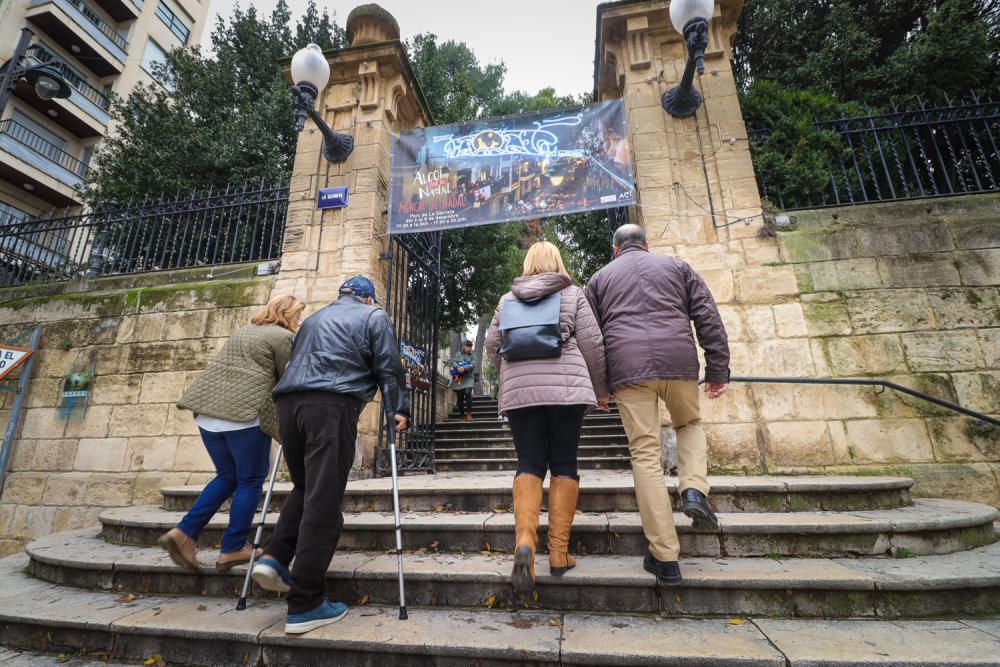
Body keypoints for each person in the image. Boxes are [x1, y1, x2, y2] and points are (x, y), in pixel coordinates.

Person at [251, 275, 410, 635]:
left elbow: (295, 361)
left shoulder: (312, 319)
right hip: (330, 406)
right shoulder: (374, 317)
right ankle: (305, 602)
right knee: (323, 498)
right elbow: (388, 365)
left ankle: (275, 557)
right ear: (369, 298)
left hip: (290, 405)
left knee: (305, 488)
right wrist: (398, 409)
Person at [585, 224, 730, 585]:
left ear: (614, 249)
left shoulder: (599, 280)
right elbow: (708, 316)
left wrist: (600, 388)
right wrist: (718, 369)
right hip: (679, 362)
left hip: (627, 369)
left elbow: (590, 338)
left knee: (644, 453)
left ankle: (665, 556)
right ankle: (694, 488)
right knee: (689, 425)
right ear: (647, 246)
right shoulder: (677, 267)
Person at [485, 241, 609, 596]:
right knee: (564, 462)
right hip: (566, 389)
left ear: (527, 263)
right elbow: (592, 343)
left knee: (529, 461)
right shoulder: (572, 294)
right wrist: (601, 389)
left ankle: (525, 542)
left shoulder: (507, 300)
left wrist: (510, 375)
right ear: (557, 261)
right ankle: (558, 553)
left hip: (521, 392)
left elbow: (494, 344)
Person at [160, 295, 304, 573]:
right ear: (287, 316)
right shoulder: (283, 338)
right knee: (251, 479)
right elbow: (290, 378)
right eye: (297, 316)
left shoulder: (245, 331)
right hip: (243, 416)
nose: (298, 322)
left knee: (228, 476)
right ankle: (233, 547)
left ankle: (184, 533)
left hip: (208, 413)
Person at [448, 340, 476, 420]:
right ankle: (462, 414)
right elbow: (453, 362)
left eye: (470, 347)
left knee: (467, 393)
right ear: (464, 346)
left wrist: (464, 368)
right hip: (458, 377)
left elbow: (473, 364)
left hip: (468, 377)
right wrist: (457, 367)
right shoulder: (458, 354)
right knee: (460, 396)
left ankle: (469, 414)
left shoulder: (473, 355)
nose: (469, 348)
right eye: (467, 347)